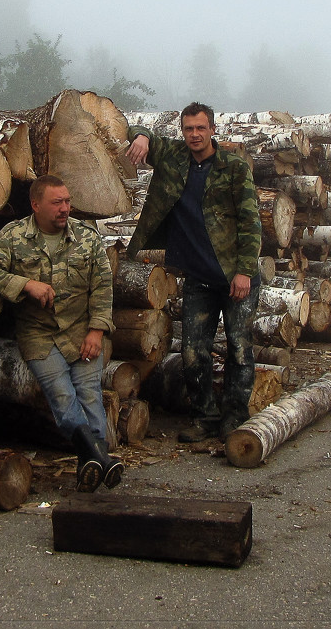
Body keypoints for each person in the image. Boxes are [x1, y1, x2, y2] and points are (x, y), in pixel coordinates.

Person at [0, 174, 122, 491]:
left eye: (67, 202)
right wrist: (25, 285)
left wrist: (97, 331)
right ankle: (102, 461)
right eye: (57, 203)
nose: (65, 208)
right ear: (36, 204)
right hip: (39, 336)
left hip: (81, 332)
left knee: (90, 397)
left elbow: (102, 287)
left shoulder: (86, 237)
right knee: (63, 398)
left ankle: (91, 466)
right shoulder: (14, 236)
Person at [125, 102, 262, 442]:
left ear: (213, 130)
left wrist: (244, 271)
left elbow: (250, 221)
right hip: (199, 278)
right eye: (188, 129)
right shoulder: (174, 156)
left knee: (240, 348)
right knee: (192, 351)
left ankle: (234, 417)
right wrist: (141, 135)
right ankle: (204, 417)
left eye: (201, 128)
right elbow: (139, 134)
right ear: (182, 131)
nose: (195, 135)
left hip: (234, 277)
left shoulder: (233, 167)